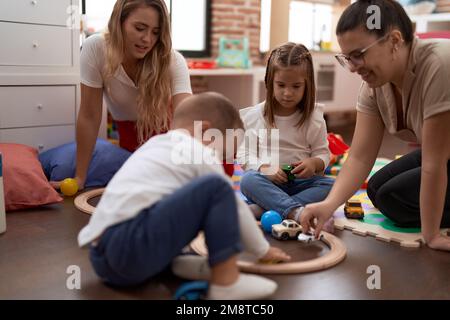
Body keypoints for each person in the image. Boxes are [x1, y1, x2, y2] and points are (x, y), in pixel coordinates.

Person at [78, 92, 291, 300]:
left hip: (101, 260)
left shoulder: (155, 146)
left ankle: (175, 263)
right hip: (129, 249)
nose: (222, 160)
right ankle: (226, 282)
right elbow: (235, 206)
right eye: (223, 151)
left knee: (175, 202)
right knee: (218, 187)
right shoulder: (196, 151)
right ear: (205, 131)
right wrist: (262, 250)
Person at [301, 0, 450, 251]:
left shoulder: (440, 64)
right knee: (378, 188)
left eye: (358, 55)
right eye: (347, 58)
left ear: (394, 41)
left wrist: (431, 234)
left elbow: (434, 164)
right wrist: (328, 205)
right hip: (443, 153)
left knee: (393, 198)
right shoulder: (375, 84)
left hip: (441, 156)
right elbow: (359, 157)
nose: (352, 68)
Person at [53, 0, 192, 190]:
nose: (147, 39)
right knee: (64, 170)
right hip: (129, 145)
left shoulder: (172, 60)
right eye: (140, 28)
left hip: (170, 143)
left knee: (217, 161)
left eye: (155, 32)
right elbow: (89, 116)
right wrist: (79, 178)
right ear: (119, 22)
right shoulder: (95, 48)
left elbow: (187, 121)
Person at [237, 42, 335, 226]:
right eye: (281, 85)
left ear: (307, 85)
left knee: (332, 186)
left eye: (296, 86)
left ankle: (265, 208)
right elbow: (244, 154)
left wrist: (314, 163)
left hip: (302, 183)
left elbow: (323, 153)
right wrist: (264, 168)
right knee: (248, 180)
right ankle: (295, 211)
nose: (287, 93)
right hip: (268, 183)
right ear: (269, 82)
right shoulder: (256, 115)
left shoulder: (313, 117)